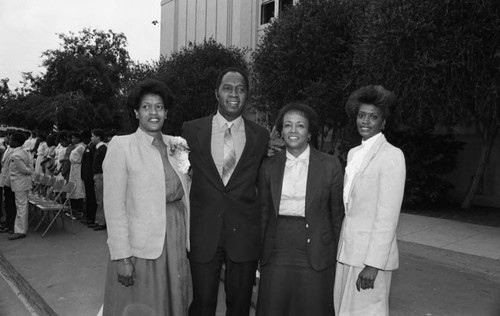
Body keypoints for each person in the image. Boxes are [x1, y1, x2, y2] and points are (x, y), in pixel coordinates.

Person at [182, 67, 270, 316]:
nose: (234, 94)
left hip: (244, 235)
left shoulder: (260, 136)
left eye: (241, 89)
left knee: (240, 307)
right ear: (216, 93)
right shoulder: (191, 131)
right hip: (203, 234)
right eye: (228, 88)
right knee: (201, 305)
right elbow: (179, 177)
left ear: (247, 96)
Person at [102, 79, 191, 315]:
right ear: (136, 112)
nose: (153, 112)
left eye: (159, 107)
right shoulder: (122, 146)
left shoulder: (178, 145)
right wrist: (122, 257)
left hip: (176, 237)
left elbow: (187, 193)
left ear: (166, 112)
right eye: (146, 107)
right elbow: (114, 207)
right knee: (143, 306)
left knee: (175, 302)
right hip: (141, 248)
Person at [256, 103, 344, 316]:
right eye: (287, 125)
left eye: (300, 126)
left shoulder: (330, 165)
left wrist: (337, 254)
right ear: (281, 130)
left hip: (315, 249)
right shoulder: (268, 166)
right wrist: (259, 254)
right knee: (274, 306)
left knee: (312, 307)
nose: (293, 131)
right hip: (277, 248)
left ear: (310, 132)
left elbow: (337, 215)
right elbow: (264, 213)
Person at [334, 85, 406, 315]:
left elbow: (387, 216)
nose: (365, 121)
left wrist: (373, 265)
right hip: (348, 251)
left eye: (373, 117)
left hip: (369, 259)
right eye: (361, 115)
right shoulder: (355, 153)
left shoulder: (392, 156)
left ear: (384, 122)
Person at [7, 133, 33, 240]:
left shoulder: (16, 155)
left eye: (11, 140)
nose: (9, 142)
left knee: (21, 206)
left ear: (16, 142)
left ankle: (20, 231)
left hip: (20, 183)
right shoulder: (23, 152)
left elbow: (25, 170)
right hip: (22, 183)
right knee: (22, 205)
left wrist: (29, 171)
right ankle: (20, 229)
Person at [91, 128, 107, 231]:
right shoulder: (97, 148)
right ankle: (98, 220)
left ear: (98, 137)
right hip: (96, 175)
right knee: (98, 199)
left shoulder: (103, 149)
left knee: (101, 199)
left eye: (93, 136)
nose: (91, 138)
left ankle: (101, 222)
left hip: (101, 175)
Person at [80, 130, 97, 227]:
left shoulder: (94, 147)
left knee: (92, 197)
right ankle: (88, 216)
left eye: (92, 136)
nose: (91, 138)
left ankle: (91, 217)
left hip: (90, 175)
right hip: (86, 175)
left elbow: (92, 162)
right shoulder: (89, 145)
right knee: (88, 196)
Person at [68, 131, 86, 218]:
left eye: (73, 138)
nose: (72, 140)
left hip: (78, 167)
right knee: (73, 187)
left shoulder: (81, 147)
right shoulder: (76, 147)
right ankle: (74, 208)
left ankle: (79, 208)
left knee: (78, 187)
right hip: (73, 168)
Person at [0, 136, 16, 234]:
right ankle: (7, 222)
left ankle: (11, 225)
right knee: (6, 203)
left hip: (10, 180)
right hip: (4, 179)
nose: (8, 140)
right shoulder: (7, 149)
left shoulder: (15, 152)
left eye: (11, 139)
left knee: (10, 204)